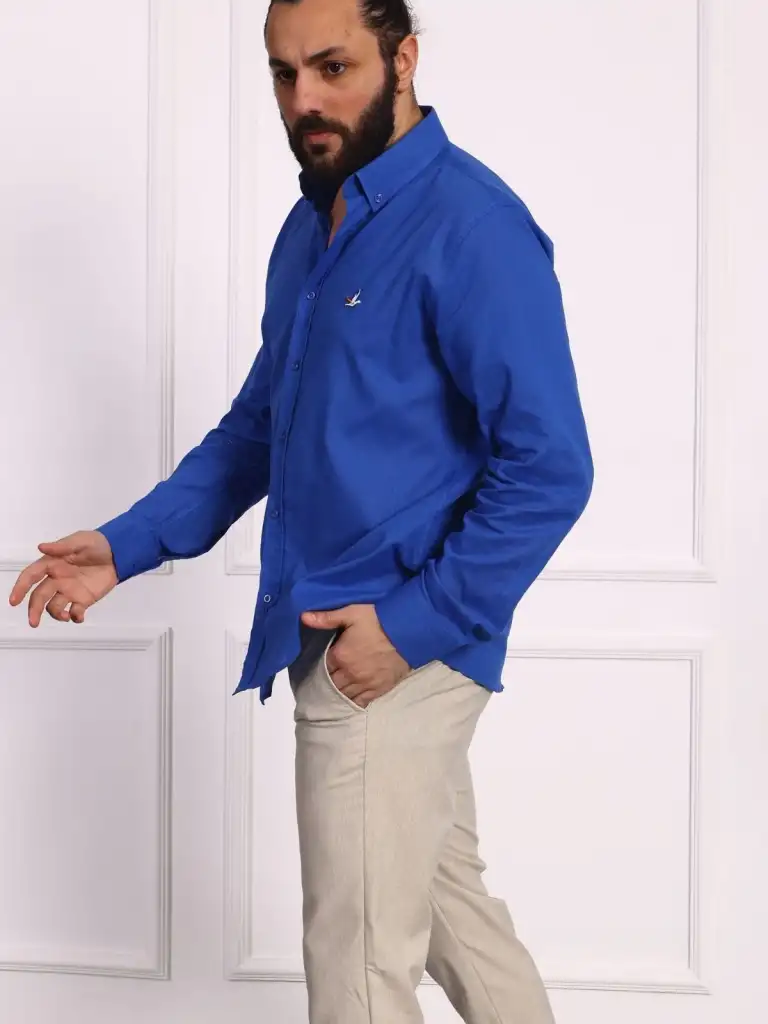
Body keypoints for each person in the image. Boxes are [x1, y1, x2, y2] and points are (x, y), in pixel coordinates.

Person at [9, 0, 594, 1020]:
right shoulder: (312, 226)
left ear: (403, 58)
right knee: (454, 918)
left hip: (388, 648)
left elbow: (551, 467)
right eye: (284, 73)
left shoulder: (473, 227)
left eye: (333, 67)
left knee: (357, 973)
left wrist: (406, 629)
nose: (305, 100)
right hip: (343, 635)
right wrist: (124, 545)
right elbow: (259, 431)